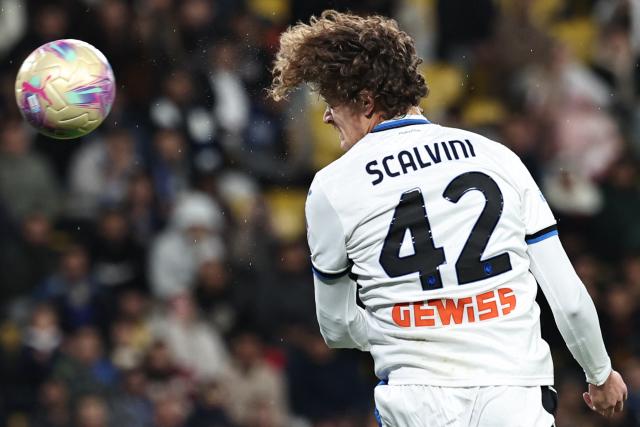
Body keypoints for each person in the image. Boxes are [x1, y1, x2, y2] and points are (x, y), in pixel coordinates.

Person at [268, 10, 627, 426]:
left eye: (333, 102)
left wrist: (408, 325)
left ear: (366, 101)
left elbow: (335, 327)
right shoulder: (497, 157)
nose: (327, 116)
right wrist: (600, 374)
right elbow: (569, 300)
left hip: (416, 399)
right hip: (513, 390)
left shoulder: (331, 187)